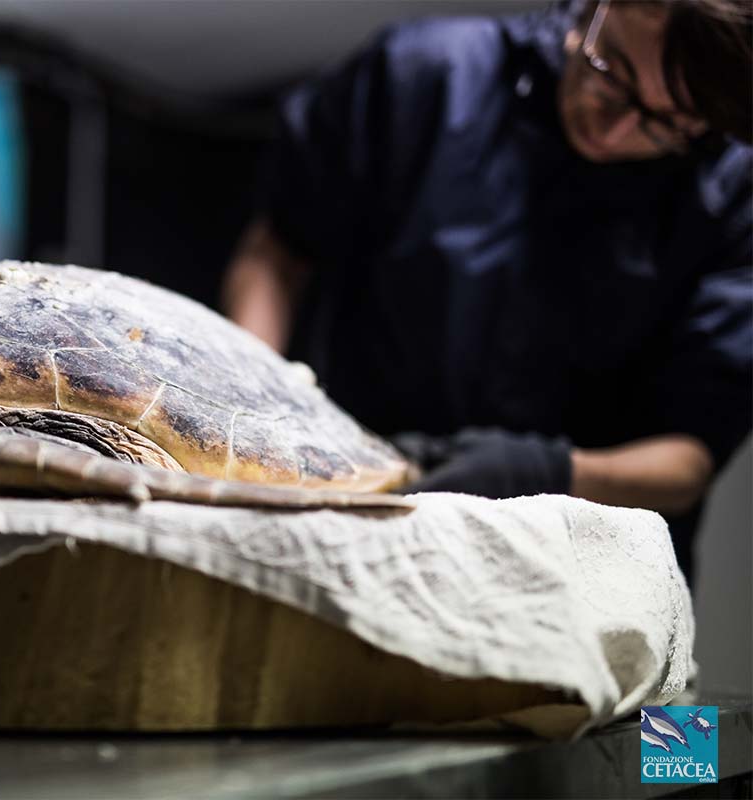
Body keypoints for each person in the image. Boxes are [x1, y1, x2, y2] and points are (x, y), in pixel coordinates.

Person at [222, 0, 752, 580]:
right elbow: (276, 252)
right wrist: (255, 407)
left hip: (575, 570)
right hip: (357, 513)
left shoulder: (733, 198)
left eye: (667, 122)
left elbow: (688, 460)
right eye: (612, 73)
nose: (614, 127)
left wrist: (540, 471)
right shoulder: (423, 75)